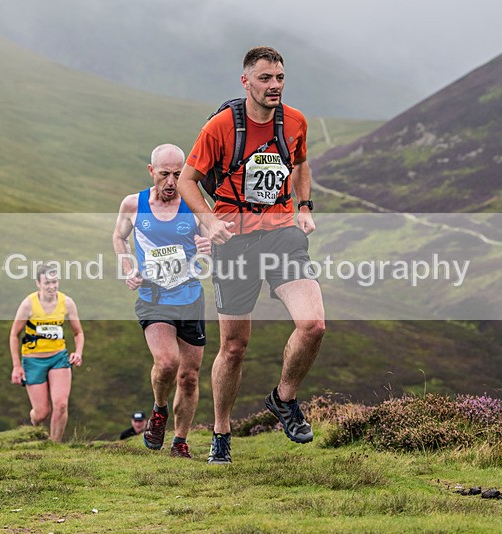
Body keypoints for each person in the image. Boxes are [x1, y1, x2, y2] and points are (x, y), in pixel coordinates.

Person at [177, 46, 326, 464]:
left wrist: (304, 206)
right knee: (234, 347)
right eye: (265, 78)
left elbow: (300, 164)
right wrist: (209, 221)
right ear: (246, 82)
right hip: (234, 242)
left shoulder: (294, 121)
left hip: (282, 235)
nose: (274, 85)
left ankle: (283, 398)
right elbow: (189, 180)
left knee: (313, 324)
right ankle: (222, 432)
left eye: (279, 77)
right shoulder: (222, 127)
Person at [113, 143, 211, 459]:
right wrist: (128, 268)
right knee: (167, 362)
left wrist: (207, 245)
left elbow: (217, 239)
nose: (171, 182)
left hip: (190, 297)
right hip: (153, 297)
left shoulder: (196, 205)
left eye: (178, 175)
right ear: (151, 171)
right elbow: (118, 237)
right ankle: (159, 411)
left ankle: (180, 441)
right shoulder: (133, 204)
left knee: (189, 376)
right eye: (165, 174)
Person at [9, 264, 84, 442]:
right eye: (47, 282)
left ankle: (54, 445)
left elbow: (78, 333)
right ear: (38, 283)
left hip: (58, 358)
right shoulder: (29, 304)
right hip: (33, 361)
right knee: (42, 413)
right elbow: (14, 334)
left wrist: (78, 352)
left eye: (55, 281)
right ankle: (33, 425)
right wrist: (16, 366)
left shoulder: (67, 303)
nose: (52, 286)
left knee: (61, 404)